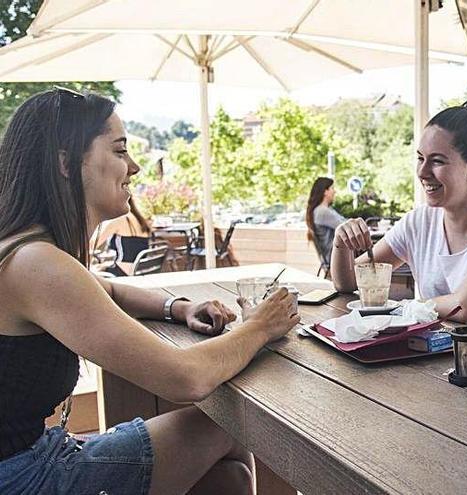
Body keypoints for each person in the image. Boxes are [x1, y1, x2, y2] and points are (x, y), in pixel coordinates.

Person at [0, 88, 299, 494]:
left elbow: (107, 290)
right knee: (227, 427)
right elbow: (185, 379)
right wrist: (261, 326)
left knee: (228, 478)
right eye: (120, 151)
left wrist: (178, 307)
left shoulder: (23, 249)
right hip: (21, 475)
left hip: (31, 458)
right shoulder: (36, 263)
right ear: (66, 163)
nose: (135, 166)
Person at [331, 94, 467, 334]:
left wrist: (401, 309)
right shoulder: (420, 221)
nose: (423, 172)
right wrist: (341, 243)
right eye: (420, 159)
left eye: (437, 161)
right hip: (442, 361)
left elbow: (466, 307)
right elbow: (349, 282)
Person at [94, 196, 153, 275]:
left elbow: (93, 244)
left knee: (91, 273)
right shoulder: (139, 219)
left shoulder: (119, 220)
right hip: (139, 271)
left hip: (123, 272)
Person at [305, 177, 345, 268]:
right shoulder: (322, 212)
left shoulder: (324, 210)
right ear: (325, 191)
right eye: (332, 188)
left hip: (333, 255)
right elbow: (345, 226)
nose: (334, 191)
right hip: (334, 257)